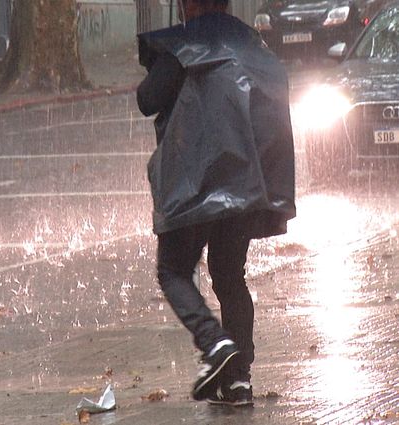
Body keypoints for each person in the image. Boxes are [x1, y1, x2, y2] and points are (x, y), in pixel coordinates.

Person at [136, 0, 296, 407]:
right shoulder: (255, 47)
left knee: (173, 271)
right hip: (242, 184)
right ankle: (238, 381)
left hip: (195, 183)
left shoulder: (184, 45)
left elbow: (147, 99)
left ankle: (215, 344)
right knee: (229, 275)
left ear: (189, 5)